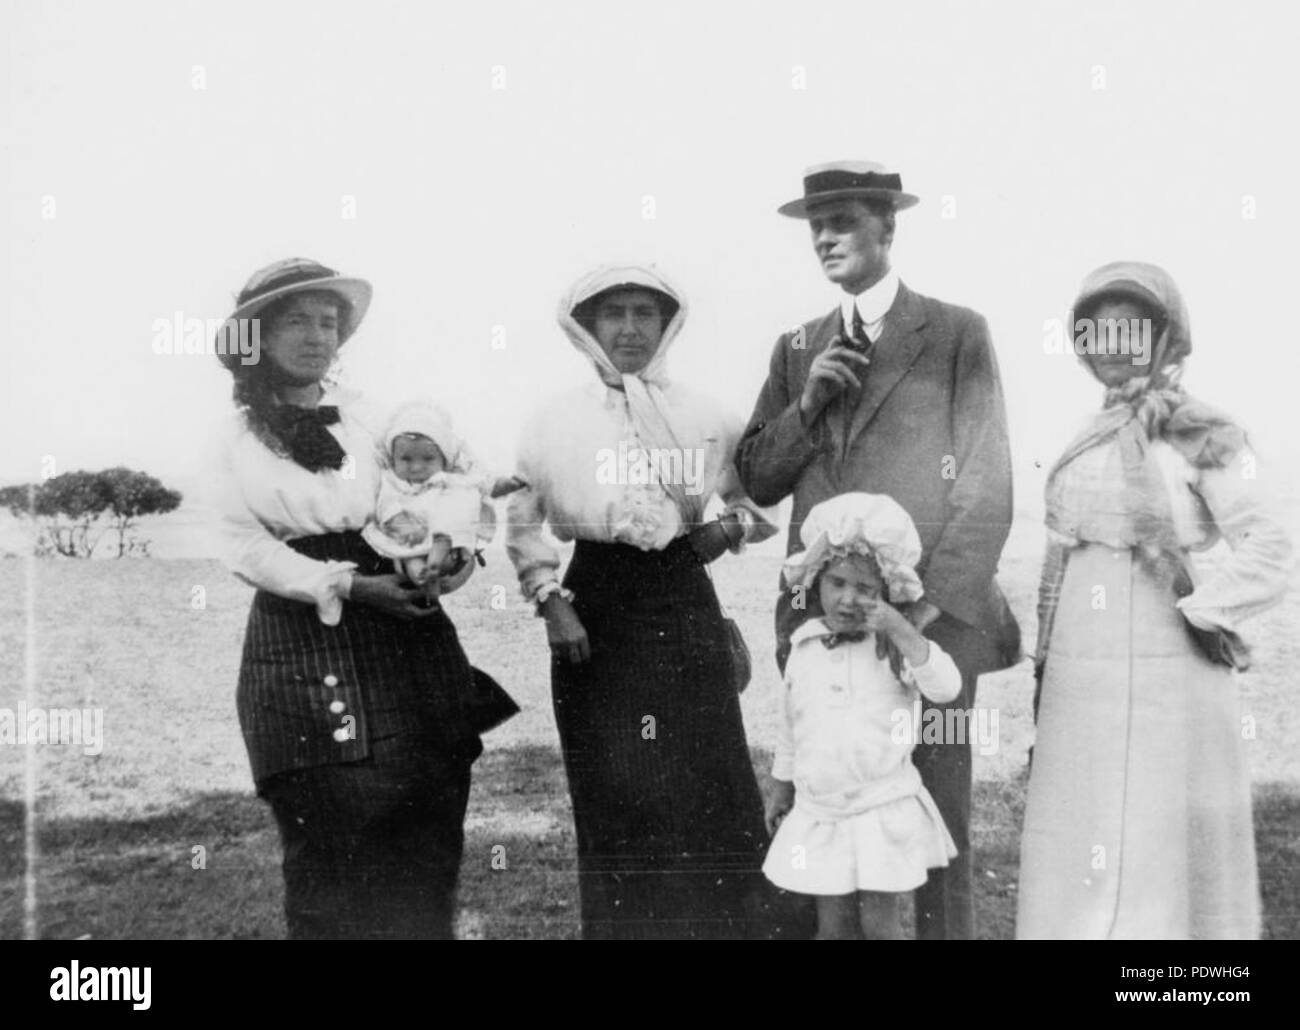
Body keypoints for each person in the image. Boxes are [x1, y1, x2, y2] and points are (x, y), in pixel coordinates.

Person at [736, 160, 1021, 939]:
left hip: (930, 633)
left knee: (932, 826)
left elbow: (988, 487)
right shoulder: (797, 347)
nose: (824, 238)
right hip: (819, 629)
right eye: (814, 226)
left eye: (844, 221)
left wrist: (920, 614)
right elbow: (757, 478)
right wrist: (807, 403)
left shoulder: (956, 331)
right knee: (824, 815)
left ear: (888, 229)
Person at [210, 257, 514, 939]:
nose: (317, 336)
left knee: (426, 831)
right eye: (296, 321)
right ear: (254, 336)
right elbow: (243, 546)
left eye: (328, 322)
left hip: (405, 634)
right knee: (331, 850)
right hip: (301, 641)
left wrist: (452, 559)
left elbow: (441, 491)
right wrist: (347, 583)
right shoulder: (234, 438)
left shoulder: (374, 421)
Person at [1016, 261, 1292, 939]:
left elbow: (1271, 546)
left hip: (1169, 658)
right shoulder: (1085, 436)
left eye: (1130, 329)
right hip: (1084, 657)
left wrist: (1197, 612)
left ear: (1166, 336)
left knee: (1158, 823)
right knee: (1084, 813)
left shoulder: (1203, 433)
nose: (1113, 345)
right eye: (1098, 331)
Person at [506, 263, 782, 939]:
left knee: (707, 787)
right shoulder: (552, 419)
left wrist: (723, 529)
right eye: (614, 314)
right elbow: (520, 518)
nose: (630, 328)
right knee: (617, 794)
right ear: (588, 326)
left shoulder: (704, 413)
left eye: (644, 314)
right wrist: (551, 603)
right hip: (595, 606)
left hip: (684, 598)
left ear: (667, 324)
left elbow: (759, 495)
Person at [763, 492, 961, 939]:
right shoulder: (805, 645)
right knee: (831, 926)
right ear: (816, 582)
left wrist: (901, 630)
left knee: (879, 924)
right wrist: (781, 784)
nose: (849, 599)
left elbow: (946, 688)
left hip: (879, 806)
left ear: (888, 593)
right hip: (823, 809)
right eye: (837, 583)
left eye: (866, 589)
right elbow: (791, 724)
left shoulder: (892, 647)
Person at [362, 398, 525, 600]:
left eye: (428, 459)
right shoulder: (392, 481)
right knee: (410, 562)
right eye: (406, 459)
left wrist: (505, 485)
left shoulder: (448, 479)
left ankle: (438, 559)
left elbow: (482, 483)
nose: (416, 467)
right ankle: (428, 576)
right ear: (393, 457)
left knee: (448, 542)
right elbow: (385, 504)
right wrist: (399, 521)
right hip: (410, 538)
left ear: (444, 459)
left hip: (447, 536)